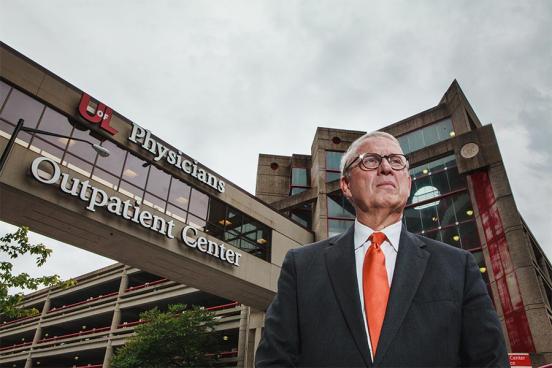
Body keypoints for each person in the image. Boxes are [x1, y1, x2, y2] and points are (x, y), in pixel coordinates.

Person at [255, 131, 508, 367]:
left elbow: (489, 360)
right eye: (371, 161)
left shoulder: (458, 266)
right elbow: (275, 360)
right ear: (346, 185)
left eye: (397, 161)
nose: (386, 168)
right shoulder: (301, 266)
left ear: (408, 184)